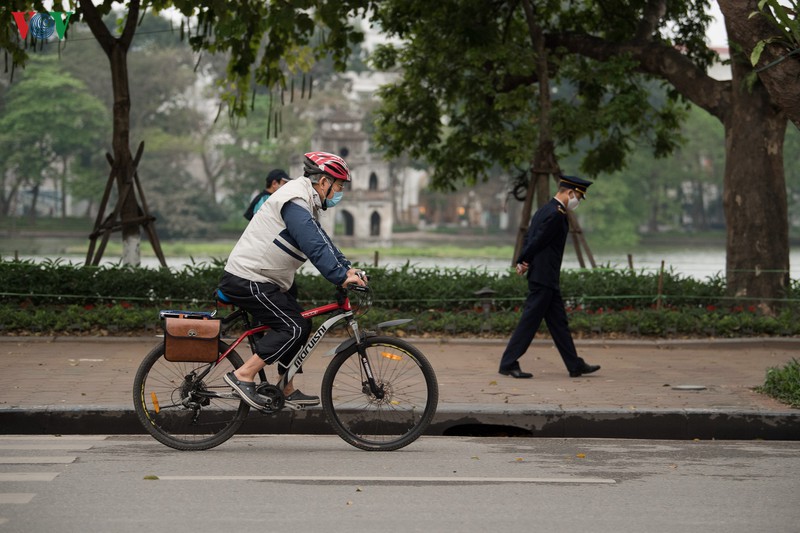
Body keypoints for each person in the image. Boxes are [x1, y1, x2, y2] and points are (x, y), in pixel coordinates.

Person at [219, 152, 367, 408]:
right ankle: (243, 374)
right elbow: (313, 246)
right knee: (293, 327)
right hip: (248, 278)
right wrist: (339, 276)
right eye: (338, 187)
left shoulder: (305, 202)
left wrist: (347, 269)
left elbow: (323, 242)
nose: (338, 193)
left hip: (263, 280)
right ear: (323, 182)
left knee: (303, 322)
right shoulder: (294, 199)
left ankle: (283, 386)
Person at [498, 175, 601, 379]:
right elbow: (537, 240)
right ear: (570, 193)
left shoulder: (545, 209)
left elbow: (531, 236)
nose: (578, 201)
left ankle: (574, 365)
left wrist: (524, 260)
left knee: (559, 323)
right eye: (578, 197)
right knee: (529, 322)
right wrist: (523, 258)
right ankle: (508, 363)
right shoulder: (556, 214)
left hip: (546, 277)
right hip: (544, 277)